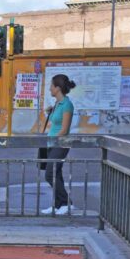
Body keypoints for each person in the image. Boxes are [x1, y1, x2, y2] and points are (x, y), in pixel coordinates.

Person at [42, 74, 76, 215]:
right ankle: (57, 205)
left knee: (50, 175)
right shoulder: (57, 104)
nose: (49, 88)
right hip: (51, 143)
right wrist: (48, 113)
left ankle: (67, 203)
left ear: (58, 88)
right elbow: (54, 124)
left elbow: (64, 130)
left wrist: (54, 139)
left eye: (51, 86)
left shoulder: (67, 105)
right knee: (57, 174)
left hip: (60, 144)